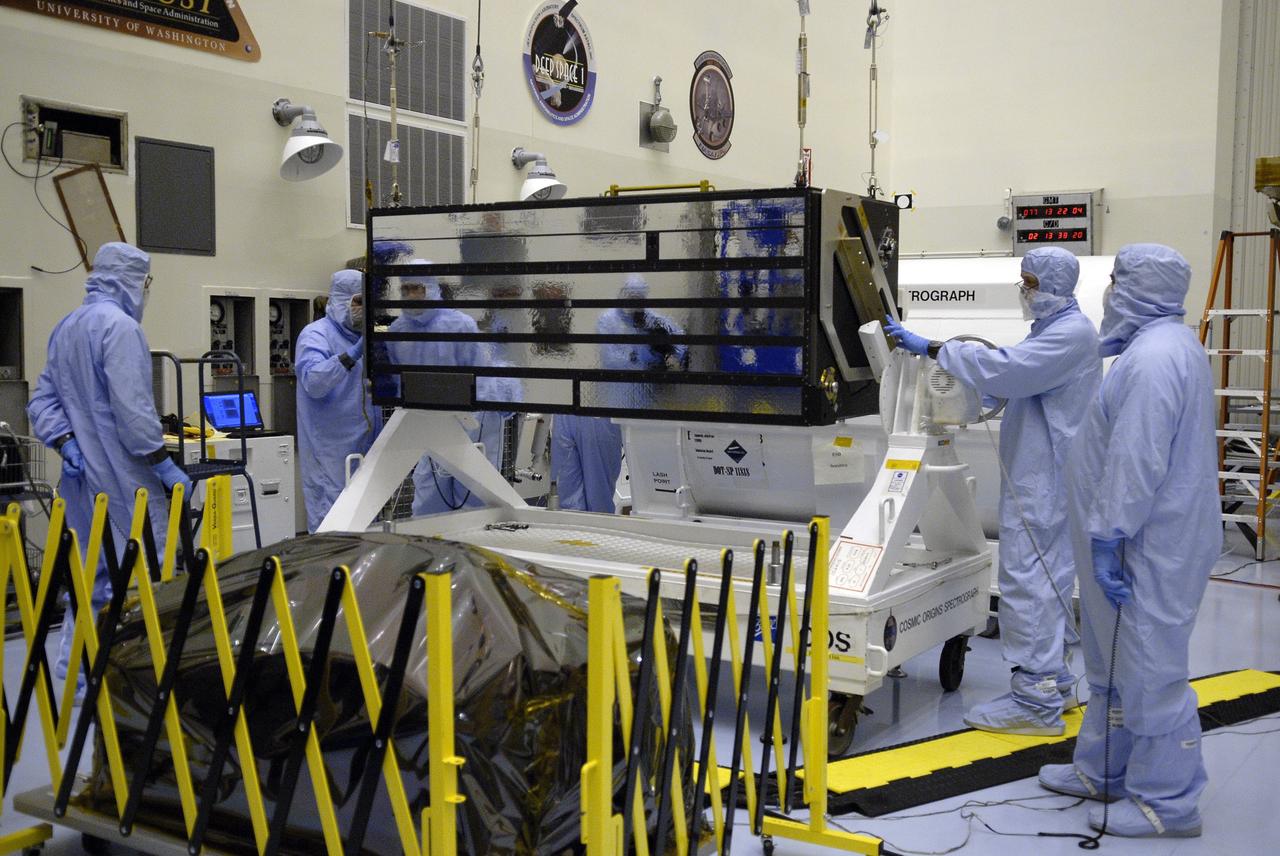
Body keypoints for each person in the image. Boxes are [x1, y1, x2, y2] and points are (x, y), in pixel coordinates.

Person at [1038, 244, 1218, 838]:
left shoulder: (1155, 359)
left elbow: (1136, 461)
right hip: (1134, 538)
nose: (1109, 290)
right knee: (1111, 661)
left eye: (1117, 279)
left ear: (1142, 288)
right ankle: (1105, 768)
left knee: (1149, 667)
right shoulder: (1155, 348)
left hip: (1147, 544)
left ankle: (1168, 801)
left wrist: (1112, 534)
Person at [885, 246, 1101, 736]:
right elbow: (1016, 379)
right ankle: (1055, 683)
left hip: (1044, 483)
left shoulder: (1069, 333)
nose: (1023, 290)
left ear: (1052, 285)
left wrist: (934, 349)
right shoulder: (1053, 330)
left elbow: (1009, 371)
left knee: (1028, 581)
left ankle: (1035, 701)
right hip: (1042, 476)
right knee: (1045, 580)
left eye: (1028, 282)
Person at [27, 242, 192, 685]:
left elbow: (41, 401)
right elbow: (134, 411)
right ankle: (138, 683)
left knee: (88, 578)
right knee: (147, 577)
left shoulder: (67, 326)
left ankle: (76, 678)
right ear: (132, 281)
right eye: (146, 282)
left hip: (81, 485)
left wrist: (65, 442)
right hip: (125, 483)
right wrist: (162, 463)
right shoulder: (119, 328)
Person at [385, 261, 519, 516]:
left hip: (473, 421)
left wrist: (495, 405)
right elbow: (396, 380)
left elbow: (482, 374)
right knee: (428, 495)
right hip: (429, 423)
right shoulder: (397, 331)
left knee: (475, 495)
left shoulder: (459, 325)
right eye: (406, 289)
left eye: (418, 288)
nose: (412, 295)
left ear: (432, 288)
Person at [552, 274, 687, 513]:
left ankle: (638, 517)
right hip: (610, 410)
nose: (635, 303)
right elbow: (612, 360)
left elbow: (683, 348)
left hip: (641, 414)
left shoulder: (655, 321)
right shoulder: (608, 320)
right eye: (631, 297)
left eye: (639, 298)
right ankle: (581, 529)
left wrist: (669, 348)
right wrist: (648, 361)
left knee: (639, 476)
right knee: (584, 482)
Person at [296, 269, 382, 531]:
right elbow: (314, 381)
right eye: (357, 301)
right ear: (340, 299)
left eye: (367, 302)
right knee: (332, 532)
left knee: (366, 532)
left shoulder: (367, 336)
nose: (362, 309)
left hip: (367, 452)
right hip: (329, 457)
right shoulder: (315, 335)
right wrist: (353, 354)